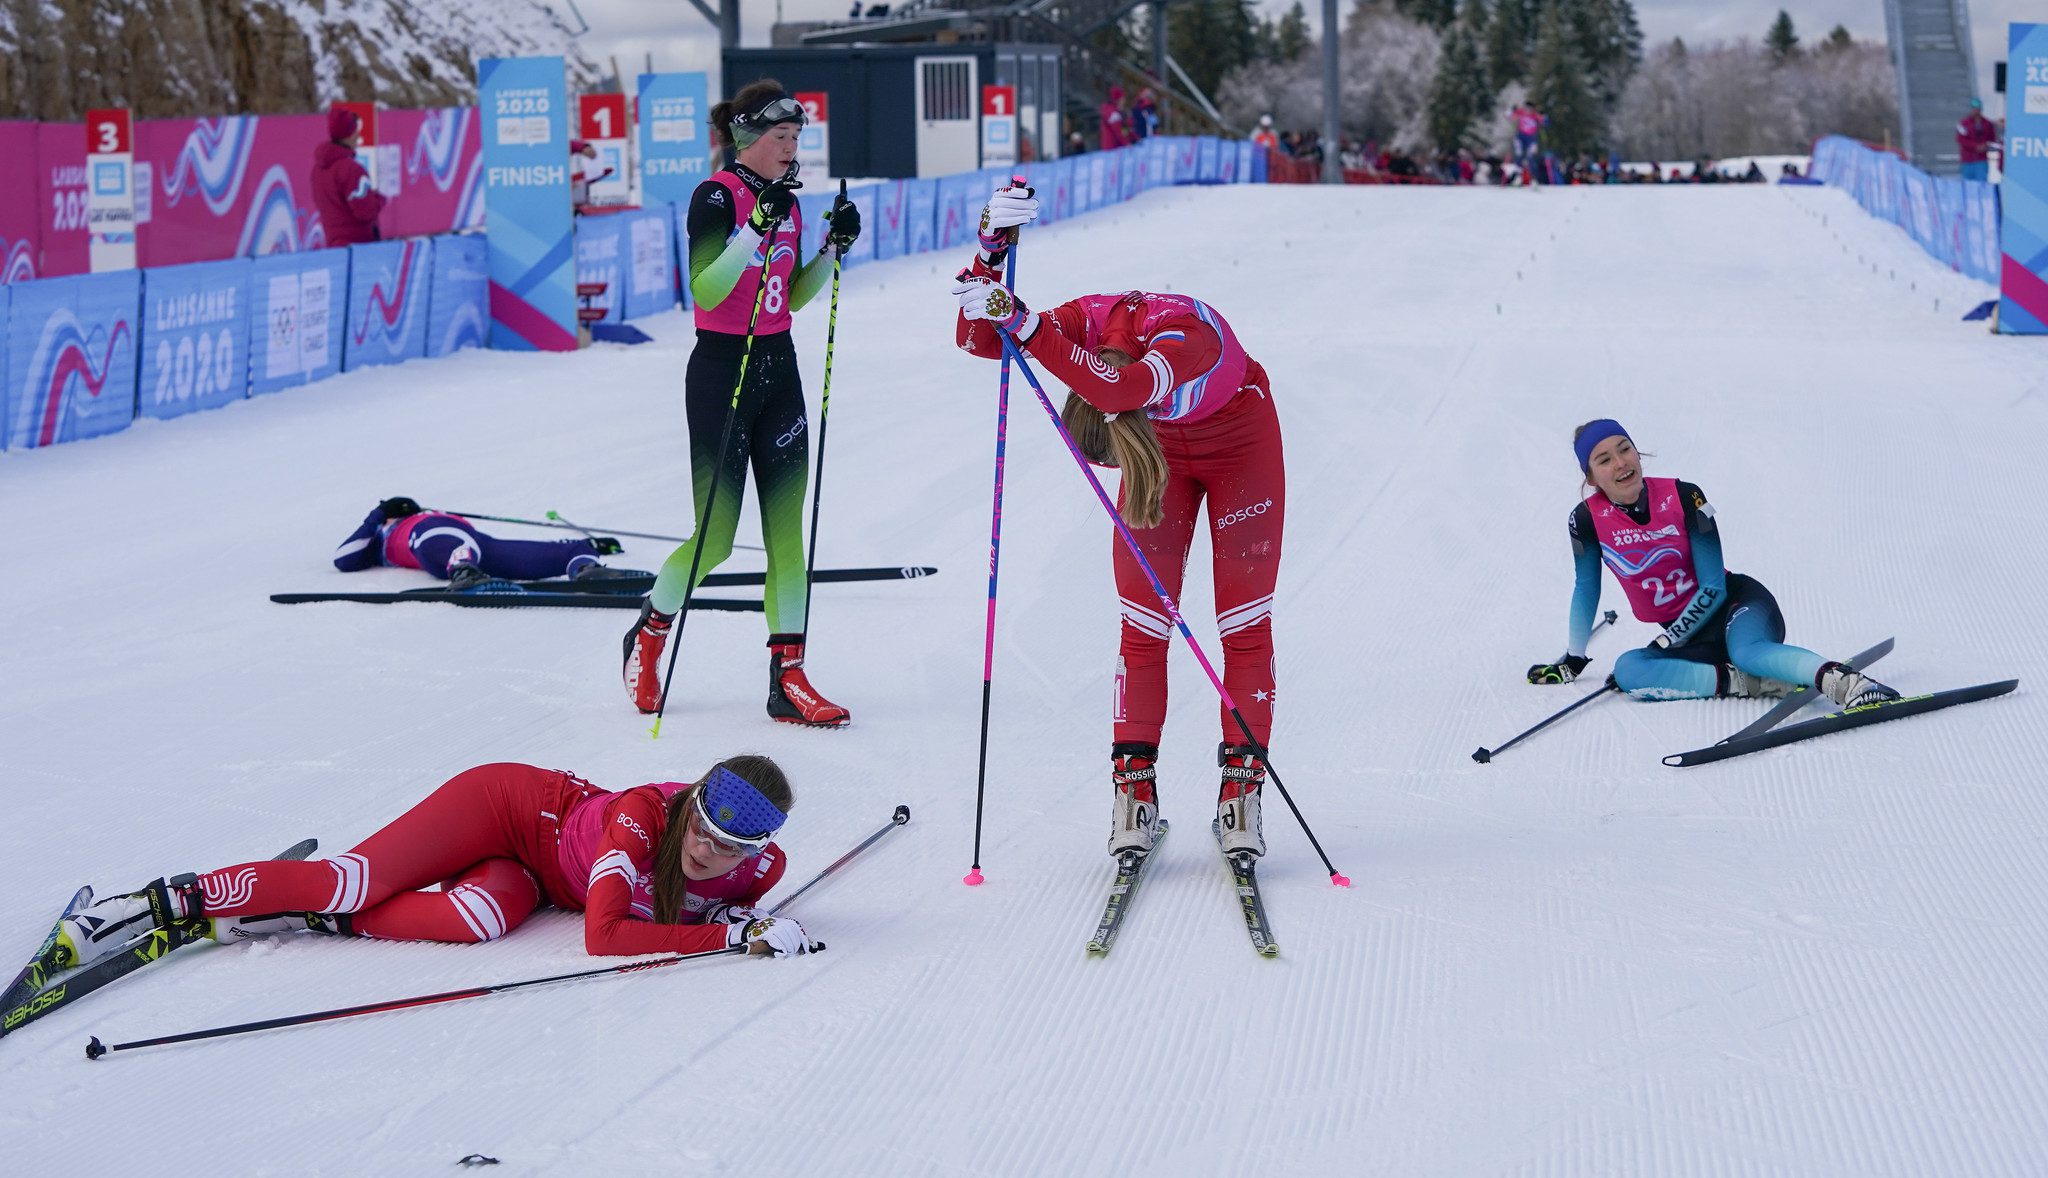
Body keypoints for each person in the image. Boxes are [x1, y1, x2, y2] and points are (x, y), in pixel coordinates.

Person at [948, 183, 1285, 863]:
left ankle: (1240, 796)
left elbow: (1121, 391)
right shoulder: (1092, 322)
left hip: (1240, 445)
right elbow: (980, 339)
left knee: (1242, 628)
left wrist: (1026, 322)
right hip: (1162, 452)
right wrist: (988, 251)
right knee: (1144, 628)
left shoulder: (1179, 339)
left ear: (1131, 429)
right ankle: (1135, 794)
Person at [50, 757, 814, 977]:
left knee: (476, 922)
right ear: (692, 803)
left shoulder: (760, 868)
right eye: (704, 829)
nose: (708, 852)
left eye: (731, 849)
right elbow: (604, 937)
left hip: (536, 880)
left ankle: (297, 915)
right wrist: (724, 941)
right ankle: (145, 907)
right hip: (509, 808)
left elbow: (700, 901)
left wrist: (728, 913)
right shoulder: (641, 822)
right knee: (352, 878)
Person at [620, 79, 861, 727]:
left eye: (797, 137)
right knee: (716, 543)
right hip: (723, 371)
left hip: (778, 369)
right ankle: (649, 633)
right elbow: (706, 287)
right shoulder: (715, 198)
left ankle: (788, 679)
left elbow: (793, 296)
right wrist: (756, 227)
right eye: (781, 136)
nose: (791, 148)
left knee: (788, 537)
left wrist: (831, 251)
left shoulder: (789, 202)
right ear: (749, 139)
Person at [1527, 420, 1900, 708]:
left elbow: (1713, 587)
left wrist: (1668, 639)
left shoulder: (1687, 495)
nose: (1621, 463)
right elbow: (1586, 588)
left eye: (1626, 450)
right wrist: (1573, 661)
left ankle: (1846, 683)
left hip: (1736, 606)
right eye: (1604, 459)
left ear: (1638, 453)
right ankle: (1750, 682)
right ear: (1591, 477)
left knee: (1746, 651)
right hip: (1693, 637)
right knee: (1629, 671)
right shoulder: (1586, 520)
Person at [332, 496, 628, 588]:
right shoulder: (385, 536)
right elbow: (343, 558)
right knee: (451, 539)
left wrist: (591, 544)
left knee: (571, 550)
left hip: (479, 546)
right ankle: (463, 571)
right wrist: (379, 514)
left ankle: (586, 570)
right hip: (433, 545)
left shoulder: (434, 517)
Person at [311, 107, 384, 248]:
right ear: (349, 134)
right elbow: (366, 211)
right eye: (355, 130)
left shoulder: (318, 169)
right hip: (358, 248)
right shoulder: (351, 170)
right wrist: (378, 199)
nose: (358, 135)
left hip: (334, 246)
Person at [1957, 98, 1999, 182]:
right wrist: (1975, 146)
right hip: (1967, 160)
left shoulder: (1987, 124)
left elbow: (1992, 138)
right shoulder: (1964, 124)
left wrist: (1985, 146)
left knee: (1981, 183)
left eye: (1977, 109)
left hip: (1981, 160)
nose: (1975, 111)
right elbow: (1961, 139)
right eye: (1973, 109)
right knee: (1967, 184)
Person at [1099, 86, 1131, 151]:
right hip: (1112, 149)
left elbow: (1125, 129)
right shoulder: (1112, 112)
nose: (1124, 100)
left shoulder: (1118, 111)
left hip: (1117, 148)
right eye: (1123, 98)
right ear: (1118, 99)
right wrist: (1127, 143)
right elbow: (1118, 130)